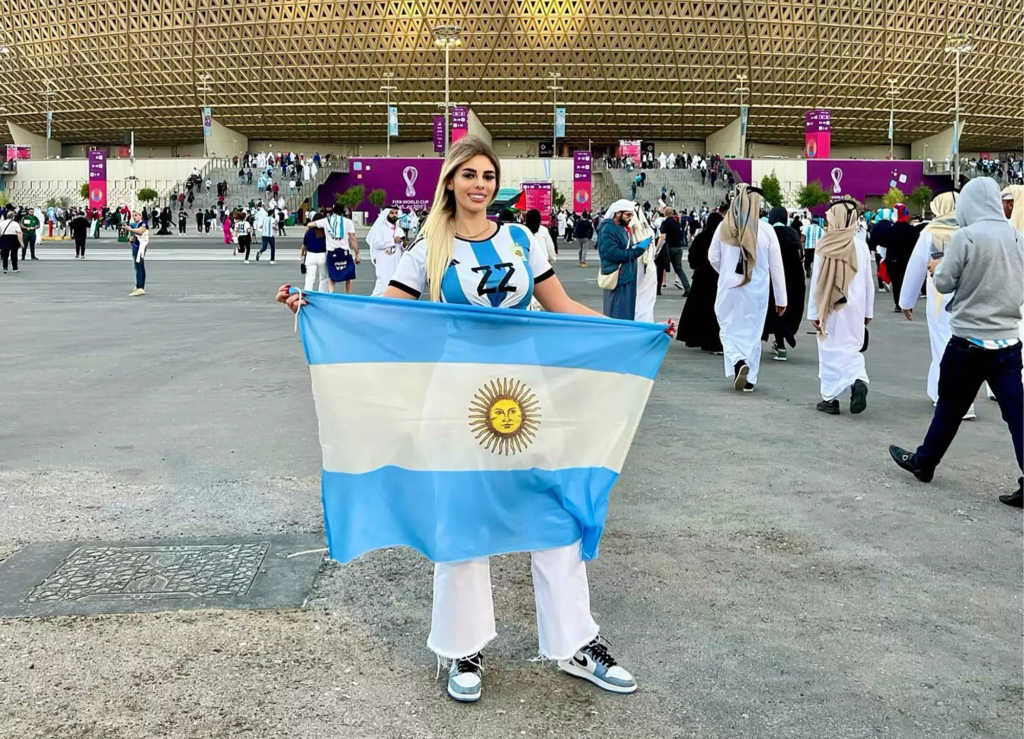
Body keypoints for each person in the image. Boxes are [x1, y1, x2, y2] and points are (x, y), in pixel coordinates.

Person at [279, 135, 642, 703]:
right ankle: (462, 648)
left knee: (555, 508)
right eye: (469, 175)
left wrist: (634, 334)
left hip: (526, 395)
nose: (480, 185)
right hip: (457, 398)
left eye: (488, 176)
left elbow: (564, 308)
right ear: (450, 181)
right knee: (461, 514)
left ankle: (577, 642)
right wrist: (317, 305)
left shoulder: (525, 239)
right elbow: (388, 310)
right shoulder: (429, 245)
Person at [888, 178, 1024, 508]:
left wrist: (937, 267)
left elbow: (946, 282)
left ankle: (925, 462)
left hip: (968, 342)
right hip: (1007, 342)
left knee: (950, 406)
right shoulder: (1016, 237)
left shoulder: (967, 236)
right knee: (1017, 414)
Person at [898, 192, 978, 416]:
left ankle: (953, 400)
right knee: (966, 345)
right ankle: (950, 395)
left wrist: (906, 301)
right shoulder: (972, 230)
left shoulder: (930, 233)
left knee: (943, 344)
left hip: (940, 297)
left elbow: (916, 268)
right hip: (970, 295)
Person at [709, 185, 787, 392]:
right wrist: (781, 299)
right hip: (757, 290)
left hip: (729, 288)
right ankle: (750, 378)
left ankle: (737, 362)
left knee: (727, 327)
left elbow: (713, 257)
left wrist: (726, 273)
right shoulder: (767, 230)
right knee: (753, 332)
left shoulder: (724, 227)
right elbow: (776, 267)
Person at [807, 200, 875, 415]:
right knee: (852, 346)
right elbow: (868, 282)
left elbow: (817, 283)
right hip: (854, 307)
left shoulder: (824, 244)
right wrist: (868, 311)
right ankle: (858, 379)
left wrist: (813, 312)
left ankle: (829, 398)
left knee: (829, 349)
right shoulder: (861, 246)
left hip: (830, 305)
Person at [677, 204, 725, 353]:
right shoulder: (723, 238)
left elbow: (693, 258)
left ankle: (698, 337)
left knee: (699, 309)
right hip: (718, 277)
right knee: (716, 309)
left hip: (702, 277)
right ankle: (714, 340)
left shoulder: (701, 236)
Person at [764, 207, 806, 361]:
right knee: (789, 307)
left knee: (774, 308)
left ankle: (781, 342)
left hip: (775, 274)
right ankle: (785, 334)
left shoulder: (769, 232)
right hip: (794, 275)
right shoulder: (792, 233)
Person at [597, 199, 650, 320]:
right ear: (617, 213)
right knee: (617, 312)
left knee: (626, 311)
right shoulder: (608, 229)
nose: (630, 218)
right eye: (628, 215)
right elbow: (613, 254)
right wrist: (638, 250)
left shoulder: (621, 228)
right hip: (618, 277)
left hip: (626, 275)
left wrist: (638, 246)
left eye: (632, 215)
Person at [307, 203, 359, 294]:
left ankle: (331, 294)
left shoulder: (326, 221)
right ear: (343, 211)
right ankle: (348, 295)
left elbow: (310, 224)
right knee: (348, 277)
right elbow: (352, 238)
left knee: (332, 277)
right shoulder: (348, 222)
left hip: (332, 253)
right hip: (345, 252)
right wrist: (357, 253)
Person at [878, 203, 919, 310]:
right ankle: (907, 304)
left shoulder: (890, 230)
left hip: (893, 260)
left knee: (896, 283)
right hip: (908, 260)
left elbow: (883, 244)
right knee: (908, 282)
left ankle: (897, 304)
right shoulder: (912, 230)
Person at [367, 205, 406, 296]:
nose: (394, 215)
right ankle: (371, 306)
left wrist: (404, 244)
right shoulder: (380, 229)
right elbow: (376, 244)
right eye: (392, 213)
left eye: (396, 213)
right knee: (382, 287)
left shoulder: (399, 230)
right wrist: (392, 241)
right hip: (384, 263)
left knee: (395, 288)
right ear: (386, 214)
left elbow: (402, 247)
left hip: (397, 264)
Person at [123, 211, 149, 297]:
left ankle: (140, 287)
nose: (134, 217)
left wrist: (129, 229)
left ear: (140, 216)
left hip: (140, 248)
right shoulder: (137, 225)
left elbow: (141, 232)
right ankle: (140, 286)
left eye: (136, 215)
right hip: (136, 247)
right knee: (139, 266)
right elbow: (137, 235)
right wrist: (131, 239)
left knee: (139, 266)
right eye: (133, 216)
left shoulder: (143, 224)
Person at [0, 209, 24, 274]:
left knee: (5, 254)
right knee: (14, 254)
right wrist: (21, 243)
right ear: (13, 217)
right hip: (13, 238)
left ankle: (5, 267)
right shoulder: (15, 224)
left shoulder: (2, 223)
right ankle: (15, 267)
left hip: (4, 238)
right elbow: (19, 233)